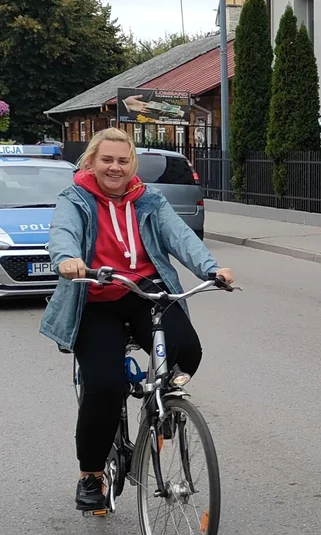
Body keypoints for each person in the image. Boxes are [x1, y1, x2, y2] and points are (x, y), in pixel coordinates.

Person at [39, 128, 234, 512]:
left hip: (145, 293)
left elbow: (181, 237)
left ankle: (158, 405)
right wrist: (68, 259)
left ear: (133, 165)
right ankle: (91, 474)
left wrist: (211, 269)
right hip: (94, 298)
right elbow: (63, 232)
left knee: (187, 349)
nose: (115, 167)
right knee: (105, 386)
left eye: (123, 160)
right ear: (91, 162)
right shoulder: (75, 198)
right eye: (106, 160)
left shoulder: (149, 199)